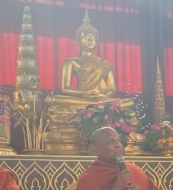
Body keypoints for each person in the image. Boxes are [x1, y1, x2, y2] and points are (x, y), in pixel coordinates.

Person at [43, 11, 137, 153]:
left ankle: (100, 112)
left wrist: (98, 95)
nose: (90, 39)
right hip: (80, 99)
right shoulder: (70, 62)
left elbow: (112, 89)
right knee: (57, 99)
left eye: (93, 37)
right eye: (86, 36)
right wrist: (84, 94)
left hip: (101, 99)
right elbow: (65, 88)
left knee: (128, 102)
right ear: (77, 41)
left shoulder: (104, 63)